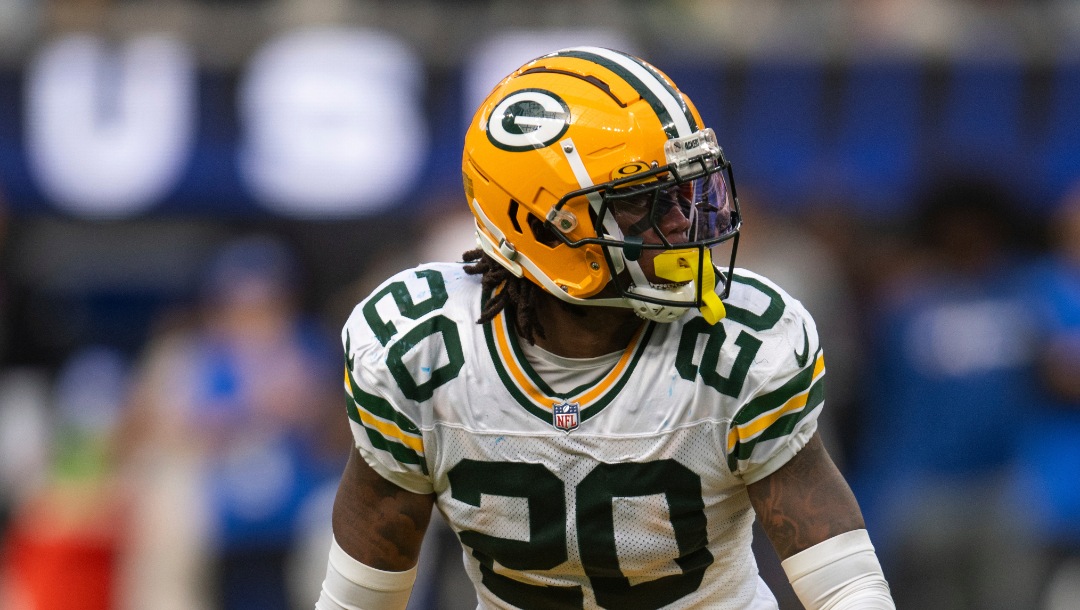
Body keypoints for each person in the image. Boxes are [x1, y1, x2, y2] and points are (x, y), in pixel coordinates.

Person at [316, 47, 894, 609]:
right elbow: (358, 598)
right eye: (645, 203)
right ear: (544, 226)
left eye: (685, 192)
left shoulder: (737, 343)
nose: (682, 222)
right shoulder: (424, 349)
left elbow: (845, 585)